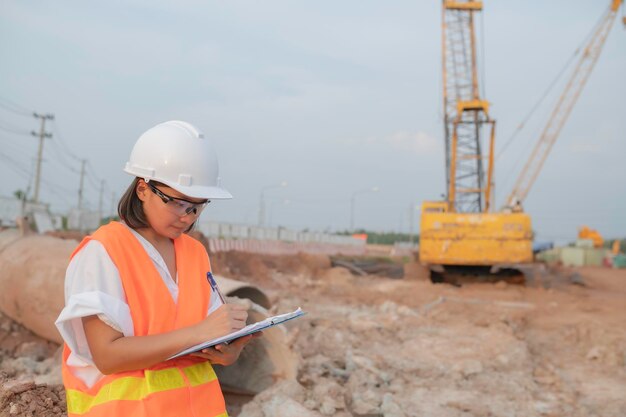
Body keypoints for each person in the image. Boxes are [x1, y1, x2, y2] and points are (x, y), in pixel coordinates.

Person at [55, 120, 259, 417]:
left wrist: (229, 350)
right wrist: (198, 332)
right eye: (177, 203)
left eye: (197, 206)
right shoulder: (104, 251)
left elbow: (207, 346)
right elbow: (107, 356)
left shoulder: (195, 254)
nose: (187, 217)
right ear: (142, 190)